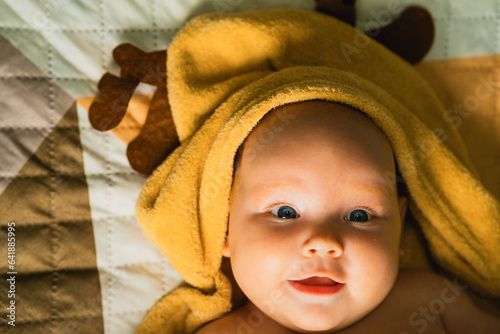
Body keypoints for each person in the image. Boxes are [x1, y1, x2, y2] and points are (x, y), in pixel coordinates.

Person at [195, 100, 500, 333]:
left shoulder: (430, 302)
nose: (324, 243)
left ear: (398, 227)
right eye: (285, 213)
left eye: (359, 215)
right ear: (225, 226)